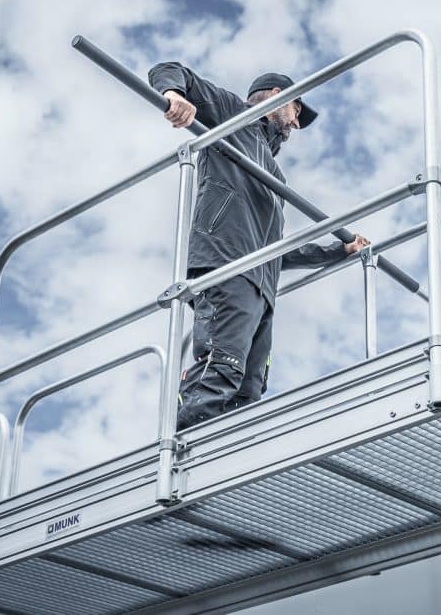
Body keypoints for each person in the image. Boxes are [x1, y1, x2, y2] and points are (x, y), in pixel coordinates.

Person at [148, 63, 370, 430]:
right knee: (220, 371)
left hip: (261, 289)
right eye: (297, 109)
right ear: (274, 96)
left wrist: (337, 251)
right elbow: (171, 71)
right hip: (227, 269)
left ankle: (225, 467)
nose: (297, 124)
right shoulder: (236, 118)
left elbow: (276, 251)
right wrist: (173, 95)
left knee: (248, 391)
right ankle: (180, 465)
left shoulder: (274, 176)